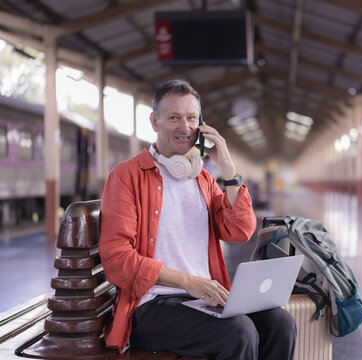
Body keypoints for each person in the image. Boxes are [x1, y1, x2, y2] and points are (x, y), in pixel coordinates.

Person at [99, 79, 297, 359]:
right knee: (239, 332)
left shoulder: (202, 178)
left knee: (280, 323)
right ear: (155, 122)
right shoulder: (127, 175)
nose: (185, 127)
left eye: (191, 118)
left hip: (203, 300)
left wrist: (228, 168)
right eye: (174, 118)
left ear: (201, 123)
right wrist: (188, 282)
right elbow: (116, 258)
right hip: (152, 305)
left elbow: (239, 230)